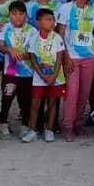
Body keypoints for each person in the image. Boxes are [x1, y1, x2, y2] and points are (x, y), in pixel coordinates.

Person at [56, 0, 94, 142]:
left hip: (89, 56)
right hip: (72, 57)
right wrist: (65, 56)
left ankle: (78, 124)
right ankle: (67, 126)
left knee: (84, 93)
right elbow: (60, 34)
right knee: (71, 93)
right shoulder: (65, 8)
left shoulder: (92, 11)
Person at [25, 8, 66, 143]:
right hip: (39, 77)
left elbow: (60, 58)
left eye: (53, 19)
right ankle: (32, 130)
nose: (52, 22)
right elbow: (33, 59)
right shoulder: (33, 38)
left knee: (53, 102)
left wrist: (54, 75)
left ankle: (49, 130)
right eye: (48, 19)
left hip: (56, 77)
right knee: (35, 103)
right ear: (39, 22)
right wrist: (42, 75)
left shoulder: (57, 38)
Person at [0, 0, 35, 138]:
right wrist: (9, 49)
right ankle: (3, 124)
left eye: (21, 14)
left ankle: (25, 125)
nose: (17, 17)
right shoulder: (6, 28)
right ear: (9, 15)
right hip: (10, 73)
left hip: (27, 74)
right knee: (7, 98)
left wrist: (24, 55)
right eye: (14, 14)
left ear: (26, 15)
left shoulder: (32, 30)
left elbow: (34, 51)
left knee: (25, 100)